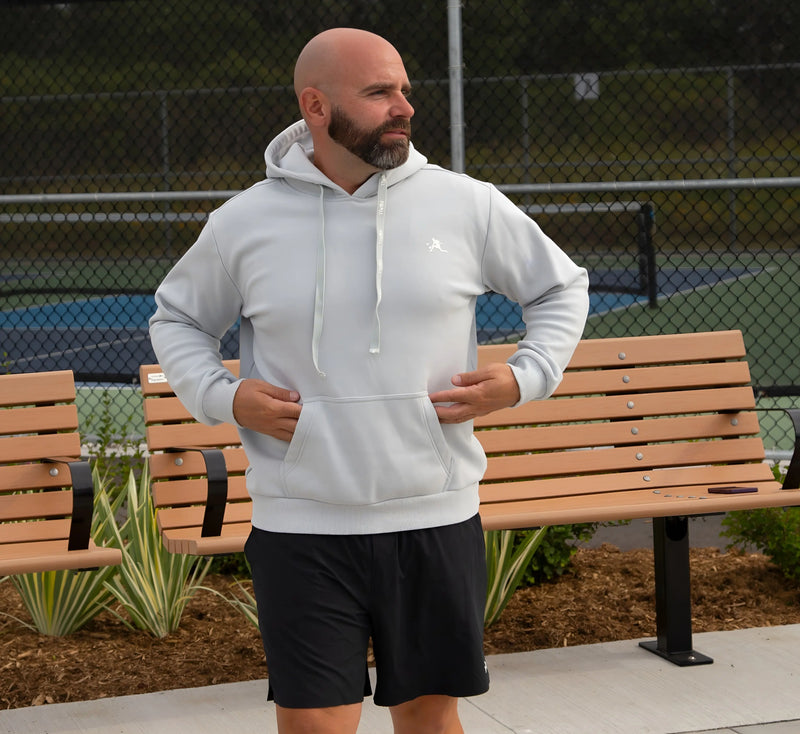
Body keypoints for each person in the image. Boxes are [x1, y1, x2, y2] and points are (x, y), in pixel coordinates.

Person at [149, 27, 589, 734]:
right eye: (379, 92)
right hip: (301, 526)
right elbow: (176, 320)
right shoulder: (244, 223)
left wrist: (526, 378)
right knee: (316, 725)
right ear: (316, 106)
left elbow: (562, 289)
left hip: (436, 515)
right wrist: (223, 396)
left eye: (405, 91)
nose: (403, 107)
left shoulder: (465, 205)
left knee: (428, 716)